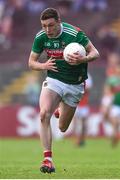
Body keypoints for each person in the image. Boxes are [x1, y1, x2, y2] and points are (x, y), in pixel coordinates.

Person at [28, 8, 99, 173]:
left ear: (59, 21)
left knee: (62, 128)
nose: (47, 30)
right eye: (44, 26)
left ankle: (60, 107)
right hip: (54, 80)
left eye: (51, 25)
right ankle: (47, 159)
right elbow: (31, 62)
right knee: (44, 114)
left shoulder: (74, 34)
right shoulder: (41, 37)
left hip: (75, 85)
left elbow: (95, 53)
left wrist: (84, 59)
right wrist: (43, 66)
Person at [73, 73, 93, 147]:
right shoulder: (74, 72)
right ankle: (77, 140)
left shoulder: (88, 76)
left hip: (84, 103)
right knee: (76, 123)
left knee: (84, 123)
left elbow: (88, 88)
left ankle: (82, 139)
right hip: (75, 103)